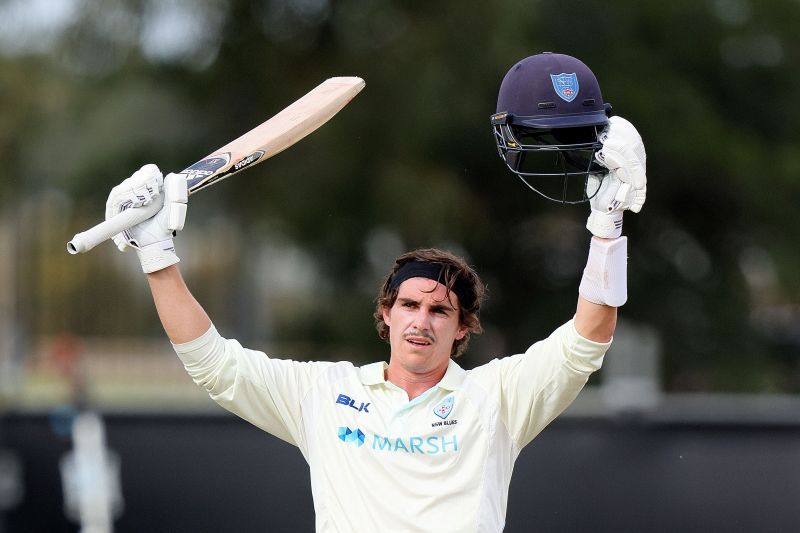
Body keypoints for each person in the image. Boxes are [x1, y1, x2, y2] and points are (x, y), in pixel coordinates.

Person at [103, 52, 646, 532]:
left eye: (440, 310)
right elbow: (212, 365)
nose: (422, 320)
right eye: (409, 304)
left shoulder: (496, 399)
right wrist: (157, 256)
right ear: (385, 314)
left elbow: (588, 339)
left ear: (461, 329)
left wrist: (608, 220)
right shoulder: (324, 395)